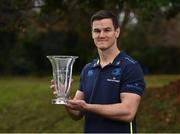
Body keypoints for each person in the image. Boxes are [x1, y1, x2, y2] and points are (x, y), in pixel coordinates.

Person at [50, 10, 145, 133]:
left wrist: (88, 107)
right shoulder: (88, 69)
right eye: (97, 31)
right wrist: (65, 98)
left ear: (117, 32)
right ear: (92, 34)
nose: (101, 35)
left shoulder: (130, 67)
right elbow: (77, 113)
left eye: (107, 30)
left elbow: (128, 112)